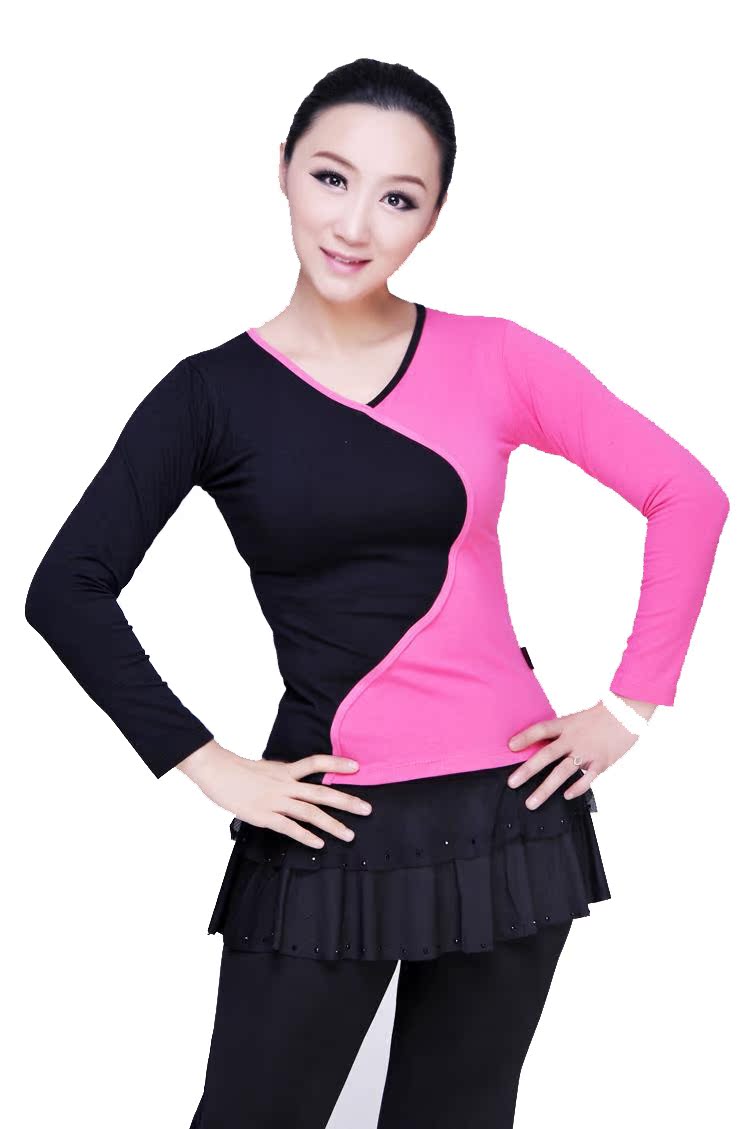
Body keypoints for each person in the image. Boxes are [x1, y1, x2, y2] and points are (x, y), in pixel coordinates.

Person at [24, 57, 730, 1129]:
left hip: (507, 815)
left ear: (433, 217)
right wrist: (209, 763)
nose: (354, 224)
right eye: (330, 178)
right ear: (283, 171)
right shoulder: (209, 394)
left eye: (399, 198)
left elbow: (688, 494)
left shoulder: (496, 357)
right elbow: (67, 588)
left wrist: (630, 705)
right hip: (327, 813)